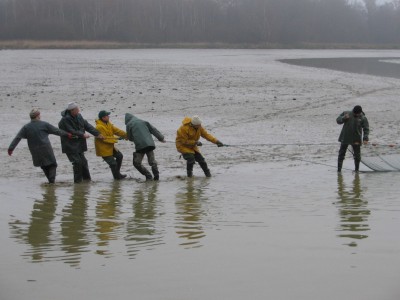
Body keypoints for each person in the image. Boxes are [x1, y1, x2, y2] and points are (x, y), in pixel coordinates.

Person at [8, 108, 71, 183]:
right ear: (38, 116)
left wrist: (11, 148)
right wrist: (67, 134)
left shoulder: (26, 127)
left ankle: (50, 182)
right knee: (53, 164)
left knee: (43, 165)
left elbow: (18, 138)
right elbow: (56, 131)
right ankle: (51, 182)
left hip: (34, 150)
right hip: (45, 148)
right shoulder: (44, 124)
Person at [58, 102, 104, 183]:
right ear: (72, 110)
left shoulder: (79, 116)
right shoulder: (65, 119)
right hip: (70, 145)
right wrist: (82, 134)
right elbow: (71, 130)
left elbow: (87, 126)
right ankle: (78, 182)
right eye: (77, 109)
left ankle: (87, 180)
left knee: (83, 162)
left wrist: (98, 134)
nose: (78, 110)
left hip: (79, 144)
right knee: (77, 162)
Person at [125, 113, 165, 181]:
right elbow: (154, 130)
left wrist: (127, 137)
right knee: (152, 162)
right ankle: (156, 177)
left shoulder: (129, 125)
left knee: (136, 163)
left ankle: (148, 176)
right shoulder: (143, 121)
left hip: (140, 146)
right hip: (150, 145)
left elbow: (131, 138)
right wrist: (161, 138)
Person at [95, 110, 128, 180]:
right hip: (103, 149)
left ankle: (117, 173)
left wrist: (126, 135)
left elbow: (117, 131)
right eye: (107, 116)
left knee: (119, 156)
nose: (108, 117)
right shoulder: (99, 127)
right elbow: (105, 139)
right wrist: (117, 139)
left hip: (110, 147)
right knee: (113, 164)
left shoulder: (108, 123)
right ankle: (117, 178)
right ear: (103, 118)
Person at [336, 105, 369, 172]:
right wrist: (343, 118)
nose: (356, 115)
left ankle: (356, 170)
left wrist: (365, 139)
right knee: (341, 154)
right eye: (355, 113)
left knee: (357, 156)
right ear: (353, 111)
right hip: (345, 137)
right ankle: (339, 170)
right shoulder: (346, 113)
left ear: (360, 112)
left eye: (357, 114)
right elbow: (338, 120)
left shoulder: (363, 118)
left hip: (356, 139)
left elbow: (366, 128)